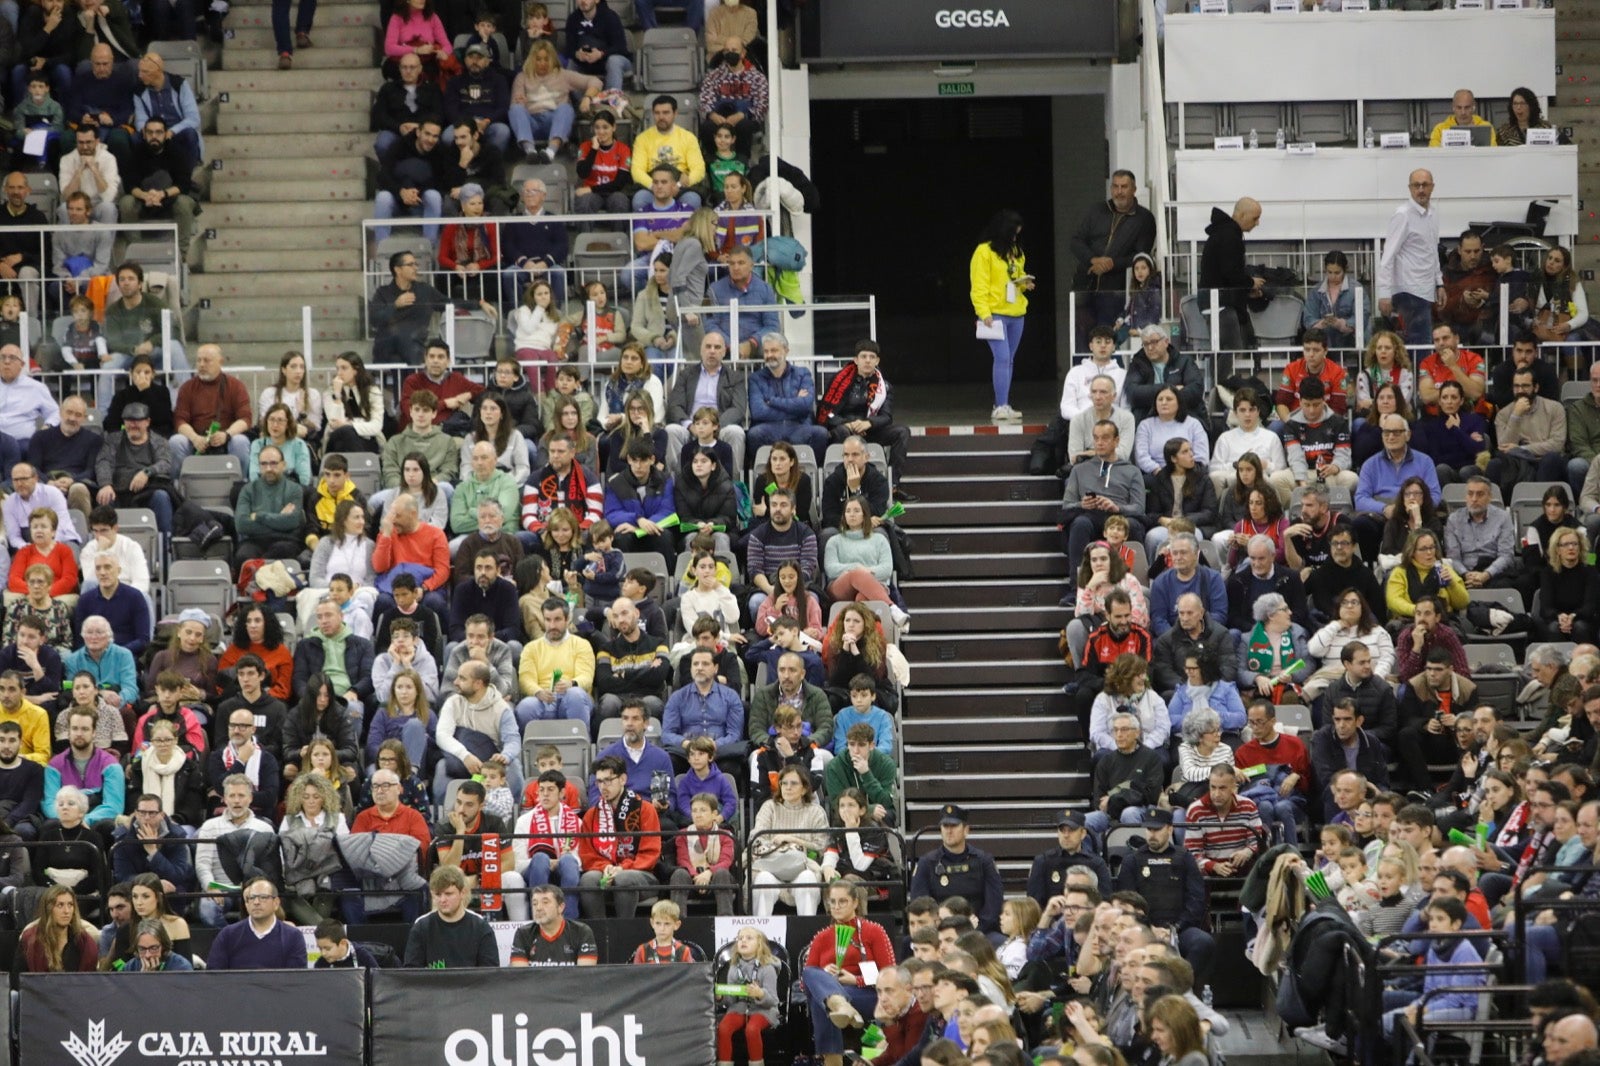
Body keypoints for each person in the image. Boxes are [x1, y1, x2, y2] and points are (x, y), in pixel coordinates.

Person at [803, 879, 897, 1066]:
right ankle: (838, 1003)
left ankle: (833, 1060)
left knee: (820, 1001)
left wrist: (856, 980)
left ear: (855, 903)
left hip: (869, 994)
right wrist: (825, 976)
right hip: (836, 994)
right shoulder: (821, 937)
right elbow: (805, 983)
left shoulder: (873, 931)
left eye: (842, 901)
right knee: (812, 973)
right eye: (832, 901)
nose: (836, 907)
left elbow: (892, 977)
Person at [1070, 171, 1157, 346]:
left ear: (1134, 189)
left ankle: (1107, 374)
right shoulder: (1096, 211)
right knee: (1081, 338)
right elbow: (1076, 241)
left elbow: (1141, 255)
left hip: (1114, 291)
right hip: (1084, 285)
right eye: (1115, 187)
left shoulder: (1144, 218)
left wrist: (1112, 263)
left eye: (1124, 187)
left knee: (1107, 339)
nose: (1119, 191)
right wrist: (1093, 260)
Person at [1060, 420, 1145, 587]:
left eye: (1105, 438)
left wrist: (1117, 507)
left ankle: (1130, 584)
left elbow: (1139, 507)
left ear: (1116, 441)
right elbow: (1067, 505)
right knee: (1079, 524)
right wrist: (1081, 504)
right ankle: (1077, 586)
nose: (1099, 442)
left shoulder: (1132, 470)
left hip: (1119, 516)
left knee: (1132, 525)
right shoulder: (1079, 470)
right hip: (1089, 515)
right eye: (1096, 438)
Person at [817, 340, 913, 485]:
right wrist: (849, 425)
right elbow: (827, 414)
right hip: (845, 431)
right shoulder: (839, 381)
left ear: (877, 360)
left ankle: (892, 485)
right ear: (856, 360)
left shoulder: (884, 386)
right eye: (863, 356)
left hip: (871, 431)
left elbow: (886, 417)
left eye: (872, 357)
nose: (867, 360)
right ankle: (844, 482)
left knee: (902, 432)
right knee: (841, 432)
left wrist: (868, 423)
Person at [578, 753, 661, 918]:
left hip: (641, 876)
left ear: (622, 779)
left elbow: (650, 853)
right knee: (588, 880)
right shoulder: (591, 815)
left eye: (608, 780)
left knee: (624, 878)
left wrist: (623, 868)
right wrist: (605, 867)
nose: (603, 787)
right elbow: (587, 854)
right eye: (599, 781)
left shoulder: (644, 809)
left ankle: (624, 934)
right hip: (605, 874)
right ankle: (600, 936)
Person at [1353, 414, 1443, 562]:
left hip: (1415, 514)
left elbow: (1435, 495)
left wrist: (1415, 507)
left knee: (1434, 524)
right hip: (1383, 515)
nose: (1391, 437)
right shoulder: (1370, 464)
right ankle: (1372, 567)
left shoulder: (1425, 461)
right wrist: (1384, 508)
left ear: (1407, 435)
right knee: (1362, 524)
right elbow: (1360, 498)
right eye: (1386, 432)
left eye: (1396, 432)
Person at [970, 208, 1032, 423]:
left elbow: (1016, 276)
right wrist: (983, 313)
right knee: (1002, 358)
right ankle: (1000, 405)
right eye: (1013, 233)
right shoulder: (984, 251)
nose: (1016, 237)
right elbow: (978, 285)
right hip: (994, 314)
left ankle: (1003, 404)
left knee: (1009, 360)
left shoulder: (1016, 251)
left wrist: (1025, 282)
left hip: (1017, 312)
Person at [1377, 169, 1444, 351]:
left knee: (1422, 344)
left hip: (1425, 290)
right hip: (1408, 291)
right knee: (1419, 347)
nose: (1421, 189)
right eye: (1416, 185)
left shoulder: (1433, 214)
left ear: (1432, 187)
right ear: (1410, 188)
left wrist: (1439, 283)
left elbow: (1432, 251)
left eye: (1425, 185)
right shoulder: (1403, 215)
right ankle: (1417, 380)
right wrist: (1384, 293)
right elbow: (1388, 255)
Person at [910, 803, 1003, 932]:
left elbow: (993, 905)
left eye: (954, 826)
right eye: (945, 826)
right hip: (939, 932)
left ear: (966, 830)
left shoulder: (983, 861)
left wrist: (976, 928)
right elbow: (920, 905)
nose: (949, 830)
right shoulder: (927, 863)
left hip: (979, 931)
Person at [1487, 366, 1568, 495]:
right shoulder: (1503, 414)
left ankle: (1540, 504)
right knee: (1495, 464)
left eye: (1525, 386)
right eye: (1516, 386)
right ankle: (1506, 508)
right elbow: (1505, 448)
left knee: (1551, 459)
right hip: (1517, 464)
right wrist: (1516, 415)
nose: (1520, 391)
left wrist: (1523, 449)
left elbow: (1557, 445)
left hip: (1544, 460)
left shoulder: (1554, 408)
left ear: (1535, 388)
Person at [1197, 197, 1262, 351]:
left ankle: (1220, 375)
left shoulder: (1222, 233)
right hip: (1221, 305)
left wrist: (1245, 290)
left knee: (1236, 349)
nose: (1257, 223)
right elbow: (1231, 272)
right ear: (1242, 215)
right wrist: (1251, 283)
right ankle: (1217, 376)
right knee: (1231, 351)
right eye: (1255, 218)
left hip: (1217, 302)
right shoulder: (1230, 237)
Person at [403, 865, 498, 968]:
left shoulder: (480, 927)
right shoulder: (421, 927)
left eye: (448, 894)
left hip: (471, 984)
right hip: (433, 984)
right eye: (438, 894)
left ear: (462, 893)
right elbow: (411, 973)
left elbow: (490, 974)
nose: (443, 900)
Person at [205, 875, 307, 969]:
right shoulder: (228, 935)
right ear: (246, 903)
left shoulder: (293, 936)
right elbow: (214, 977)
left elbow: (296, 981)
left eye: (263, 897)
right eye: (252, 898)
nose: (256, 902)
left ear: (276, 903)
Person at [17, 885, 98, 972]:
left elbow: (91, 980)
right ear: (48, 909)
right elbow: (18, 979)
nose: (66, 911)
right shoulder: (30, 940)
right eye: (60, 905)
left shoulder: (85, 942)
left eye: (70, 905)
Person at [1302, 250, 1362, 349]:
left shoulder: (1357, 289)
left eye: (1337, 273)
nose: (1333, 276)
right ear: (1325, 269)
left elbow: (1362, 317)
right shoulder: (1315, 291)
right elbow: (1308, 318)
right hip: (1322, 345)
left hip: (1350, 344)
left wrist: (1342, 324)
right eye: (1329, 272)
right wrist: (1321, 324)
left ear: (1345, 269)